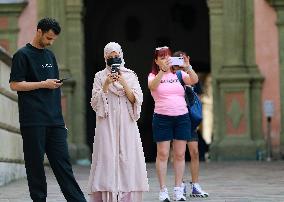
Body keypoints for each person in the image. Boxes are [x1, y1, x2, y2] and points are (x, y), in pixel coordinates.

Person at [9, 18, 87, 202]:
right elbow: (14, 85)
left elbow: (53, 90)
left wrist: (62, 120)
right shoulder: (22, 55)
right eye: (48, 38)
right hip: (33, 120)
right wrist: (43, 84)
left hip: (55, 121)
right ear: (39, 31)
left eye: (53, 39)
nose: (51, 42)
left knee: (64, 165)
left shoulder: (50, 56)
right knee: (35, 167)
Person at [88, 42, 149, 202]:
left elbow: (136, 99)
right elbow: (95, 103)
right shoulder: (99, 76)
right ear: (105, 58)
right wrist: (107, 84)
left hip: (126, 123)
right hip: (106, 123)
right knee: (107, 156)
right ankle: (107, 195)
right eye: (110, 56)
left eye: (116, 56)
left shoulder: (130, 75)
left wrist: (123, 83)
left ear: (121, 55)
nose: (113, 59)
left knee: (127, 156)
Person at [148, 46, 198, 202]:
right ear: (156, 60)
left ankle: (178, 189)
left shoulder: (178, 74)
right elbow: (152, 86)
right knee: (162, 154)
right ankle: (163, 190)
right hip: (162, 118)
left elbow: (194, 80)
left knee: (180, 154)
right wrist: (162, 71)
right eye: (161, 57)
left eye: (167, 56)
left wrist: (188, 66)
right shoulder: (153, 75)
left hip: (182, 117)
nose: (165, 59)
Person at [172, 51, 209, 198]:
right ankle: (179, 184)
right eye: (177, 59)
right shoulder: (171, 77)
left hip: (190, 119)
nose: (180, 62)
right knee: (178, 154)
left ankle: (195, 185)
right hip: (176, 118)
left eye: (183, 59)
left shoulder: (191, 75)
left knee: (194, 152)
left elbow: (198, 96)